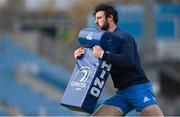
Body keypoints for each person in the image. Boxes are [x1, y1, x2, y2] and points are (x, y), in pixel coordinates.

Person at [74, 3, 164, 116]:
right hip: (122, 93)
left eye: (99, 18)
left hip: (138, 88)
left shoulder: (123, 36)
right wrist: (80, 55)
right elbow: (93, 61)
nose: (96, 21)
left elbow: (127, 61)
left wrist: (103, 55)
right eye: (95, 19)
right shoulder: (101, 40)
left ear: (110, 18)